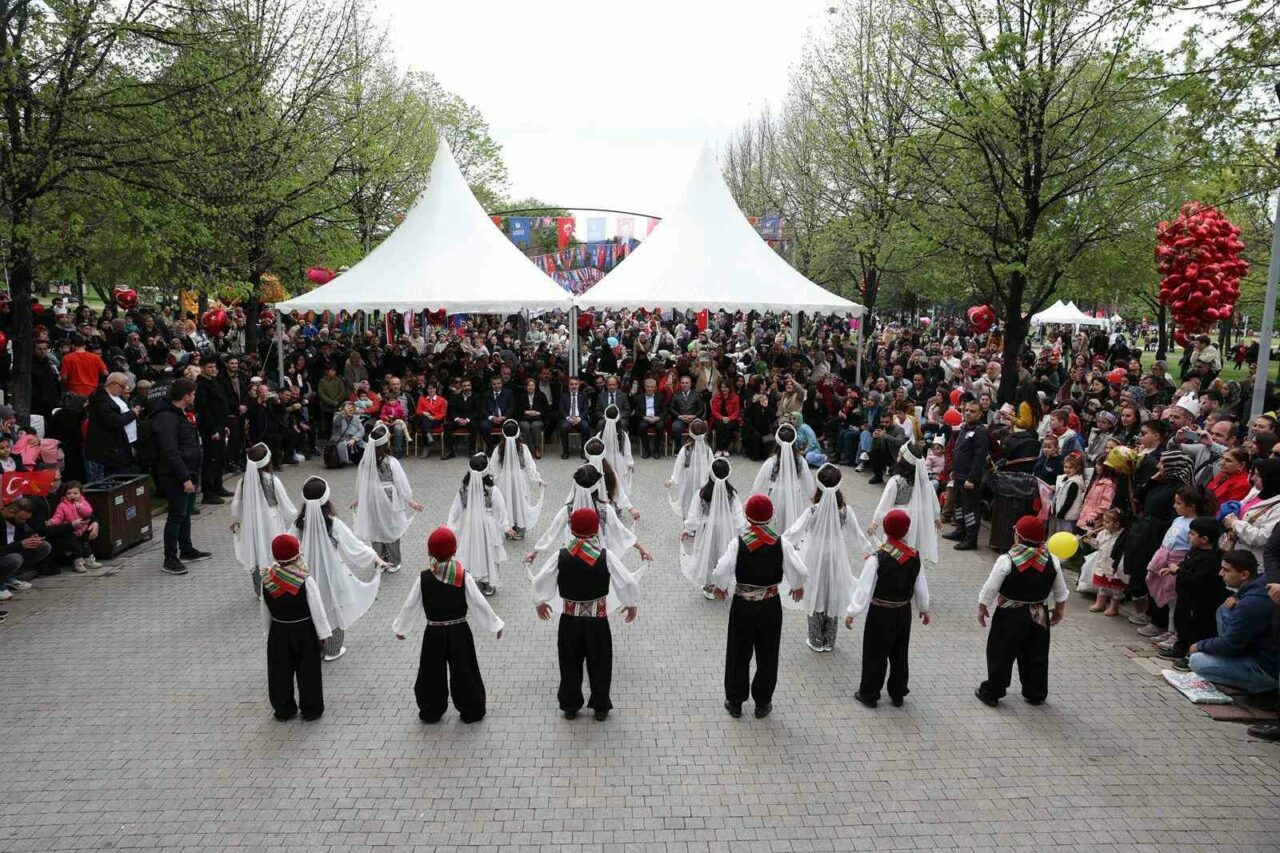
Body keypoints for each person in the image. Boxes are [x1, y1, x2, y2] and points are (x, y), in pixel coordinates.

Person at [530, 507, 641, 721]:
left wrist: (539, 602)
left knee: (569, 662)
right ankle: (600, 706)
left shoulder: (561, 555)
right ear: (596, 530)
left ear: (571, 530)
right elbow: (627, 581)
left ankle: (570, 705)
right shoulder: (605, 556)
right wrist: (631, 603)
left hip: (569, 620)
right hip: (597, 620)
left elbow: (540, 580)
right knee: (600, 662)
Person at [393, 527, 504, 724]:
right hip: (459, 630)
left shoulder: (424, 578)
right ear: (455, 550)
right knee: (465, 669)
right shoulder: (463, 576)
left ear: (429, 552)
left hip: (434, 631)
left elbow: (411, 605)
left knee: (431, 671)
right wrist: (495, 624)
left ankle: (431, 710)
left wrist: (401, 628)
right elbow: (479, 603)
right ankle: (471, 709)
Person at [712, 494, 807, 719]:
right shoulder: (781, 543)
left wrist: (721, 586)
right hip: (770, 605)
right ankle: (762, 703)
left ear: (747, 517)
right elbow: (800, 570)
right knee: (768, 653)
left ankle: (735, 701)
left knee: (738, 652)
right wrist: (797, 586)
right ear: (771, 516)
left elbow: (722, 569)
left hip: (742, 605)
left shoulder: (738, 542)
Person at [975, 517, 1069, 707]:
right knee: (1036, 653)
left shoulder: (1007, 560)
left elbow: (991, 587)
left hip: (1009, 614)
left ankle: (993, 691)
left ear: (1018, 537)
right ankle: (1036, 692)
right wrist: (1059, 609)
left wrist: (982, 605)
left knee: (1001, 652)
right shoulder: (1052, 560)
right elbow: (1060, 590)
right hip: (1039, 614)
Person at [783, 463, 874, 653]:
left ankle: (816, 639)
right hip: (836, 556)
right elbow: (857, 534)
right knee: (833, 592)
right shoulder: (845, 510)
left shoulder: (812, 510)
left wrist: (777, 543)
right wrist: (869, 550)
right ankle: (829, 640)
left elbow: (794, 532)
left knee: (816, 592)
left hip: (814, 556)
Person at [294, 476, 386, 662]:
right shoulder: (332, 523)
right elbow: (355, 547)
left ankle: (313, 647)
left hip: (304, 574)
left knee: (311, 607)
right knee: (333, 607)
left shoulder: (299, 524)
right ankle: (332, 649)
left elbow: (288, 545)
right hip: (331, 574)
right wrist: (376, 558)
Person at [845, 509, 931, 708]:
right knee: (900, 652)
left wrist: (852, 612)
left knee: (875, 653)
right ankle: (898, 692)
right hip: (903, 612)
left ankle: (869, 694)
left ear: (885, 529)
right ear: (907, 530)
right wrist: (923, 608)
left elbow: (864, 588)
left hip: (880, 613)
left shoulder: (877, 558)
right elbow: (920, 585)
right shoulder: (914, 556)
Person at [260, 533, 331, 722]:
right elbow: (317, 609)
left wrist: (269, 631)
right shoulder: (305, 580)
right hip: (304, 630)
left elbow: (265, 609)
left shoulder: (267, 579)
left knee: (279, 671)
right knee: (308, 670)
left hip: (279, 630)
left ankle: (283, 709)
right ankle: (311, 709)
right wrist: (323, 633)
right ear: (297, 555)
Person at [1188, 549, 1279, 698]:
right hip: (1258, 649)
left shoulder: (1250, 605)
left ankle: (1264, 687)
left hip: (1266, 667)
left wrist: (1199, 646)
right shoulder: (1262, 582)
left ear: (1244, 575)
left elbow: (1229, 644)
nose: (1220, 573)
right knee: (1225, 609)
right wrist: (1237, 596)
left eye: (1226, 570)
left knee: (1197, 661)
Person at [151, 379, 212, 576]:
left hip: (190, 470)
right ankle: (170, 558)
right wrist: (184, 476)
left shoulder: (182, 414)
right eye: (193, 394)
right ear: (186, 396)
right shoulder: (166, 417)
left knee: (185, 513)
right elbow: (170, 450)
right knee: (177, 515)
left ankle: (186, 549)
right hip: (176, 475)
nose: (194, 397)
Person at [230, 443, 298, 598]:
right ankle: (276, 586)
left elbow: (237, 505)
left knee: (255, 551)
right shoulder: (272, 480)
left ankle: (260, 589)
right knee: (272, 551)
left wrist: (238, 520)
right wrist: (296, 516)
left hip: (251, 523)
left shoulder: (243, 481)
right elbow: (286, 504)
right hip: (272, 521)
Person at [351, 424, 422, 571]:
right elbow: (400, 482)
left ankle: (380, 561)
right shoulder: (391, 461)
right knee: (391, 527)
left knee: (376, 527)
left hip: (372, 497)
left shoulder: (366, 462)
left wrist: (359, 499)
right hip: (389, 497)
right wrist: (410, 500)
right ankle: (394, 561)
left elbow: (363, 482)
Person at [1158, 516, 1226, 668]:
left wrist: (1179, 571)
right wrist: (1172, 569)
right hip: (1184, 597)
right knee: (1181, 623)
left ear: (1204, 539)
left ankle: (1192, 656)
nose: (1189, 536)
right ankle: (1180, 648)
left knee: (1195, 628)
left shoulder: (1210, 559)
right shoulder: (1195, 551)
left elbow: (1197, 579)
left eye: (1193, 533)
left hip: (1198, 602)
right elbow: (1186, 565)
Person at [446, 454, 512, 597]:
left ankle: (476, 579)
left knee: (473, 551)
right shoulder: (491, 489)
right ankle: (489, 582)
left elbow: (456, 509)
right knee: (490, 553)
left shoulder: (464, 489)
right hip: (488, 525)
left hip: (469, 524)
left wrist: (450, 527)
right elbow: (500, 508)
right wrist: (505, 526)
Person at [681, 458, 746, 599]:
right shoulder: (731, 494)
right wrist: (742, 532)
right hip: (726, 528)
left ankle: (710, 586)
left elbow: (694, 516)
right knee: (724, 554)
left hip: (706, 530)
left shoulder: (702, 493)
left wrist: (688, 529)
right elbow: (738, 516)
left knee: (708, 556)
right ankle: (722, 585)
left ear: (710, 473)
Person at [869, 443, 941, 565]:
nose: (898, 456)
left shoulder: (896, 481)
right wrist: (936, 517)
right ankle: (911, 570)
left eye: (899, 455)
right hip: (917, 521)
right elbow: (932, 500)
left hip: (898, 520)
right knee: (913, 551)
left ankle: (896, 571)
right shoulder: (923, 482)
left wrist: (875, 522)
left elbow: (885, 503)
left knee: (896, 552)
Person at [751, 424, 814, 534]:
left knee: (775, 531)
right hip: (794, 498)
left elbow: (758, 485)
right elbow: (809, 485)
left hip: (775, 499)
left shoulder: (771, 462)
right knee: (793, 529)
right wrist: (815, 500)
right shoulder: (801, 462)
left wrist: (751, 501)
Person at [489, 419, 545, 540]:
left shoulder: (499, 448)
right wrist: (538, 478)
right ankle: (520, 528)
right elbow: (530, 466)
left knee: (506, 502)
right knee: (520, 502)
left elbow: (493, 468)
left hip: (504, 479)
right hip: (520, 479)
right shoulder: (523, 448)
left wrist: (492, 481)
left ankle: (508, 528)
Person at [83, 372, 140, 483]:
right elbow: (113, 421)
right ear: (113, 384)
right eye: (122, 386)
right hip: (107, 449)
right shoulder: (100, 399)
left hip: (120, 446)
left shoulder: (116, 397)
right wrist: (132, 414)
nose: (123, 390)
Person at [948, 402, 989, 551]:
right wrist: (953, 470)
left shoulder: (980, 431)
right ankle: (960, 530)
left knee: (970, 509)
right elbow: (959, 451)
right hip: (958, 475)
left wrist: (972, 479)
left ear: (979, 414)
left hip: (969, 478)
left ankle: (971, 539)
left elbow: (980, 457)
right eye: (966, 410)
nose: (968, 413)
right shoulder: (965, 428)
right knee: (959, 506)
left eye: (972, 411)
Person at [0, 499, 53, 601]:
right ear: (11, 511)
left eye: (25, 519)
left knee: (44, 546)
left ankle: (9, 577)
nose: (23, 522)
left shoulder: (19, 523)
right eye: (21, 518)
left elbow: (27, 533)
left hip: (12, 551)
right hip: (5, 555)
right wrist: (20, 545)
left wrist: (33, 537)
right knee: (15, 558)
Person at [1083, 508, 1128, 616]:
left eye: (1107, 522)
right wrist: (1089, 538)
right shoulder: (1102, 533)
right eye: (1104, 521)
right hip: (1103, 564)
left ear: (1117, 524)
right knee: (1103, 587)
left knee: (1116, 589)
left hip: (1114, 567)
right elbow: (1097, 546)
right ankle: (1100, 604)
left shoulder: (1123, 536)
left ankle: (1114, 607)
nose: (1104, 524)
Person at [49, 481, 101, 574]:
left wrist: (80, 507)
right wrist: (52, 521)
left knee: (86, 545)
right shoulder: (62, 505)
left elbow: (88, 512)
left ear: (80, 493)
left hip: (83, 529)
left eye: (75, 493)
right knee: (76, 547)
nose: (72, 495)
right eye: (69, 493)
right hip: (71, 530)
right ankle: (78, 562)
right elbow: (58, 516)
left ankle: (88, 560)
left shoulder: (83, 502)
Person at [667, 419, 714, 521]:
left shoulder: (686, 449)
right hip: (704, 482)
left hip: (688, 481)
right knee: (701, 505)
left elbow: (679, 466)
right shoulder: (707, 450)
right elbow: (712, 467)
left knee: (687, 503)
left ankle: (687, 524)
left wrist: (673, 480)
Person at [597, 404, 635, 495]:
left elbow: (597, 451)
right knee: (620, 484)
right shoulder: (623, 435)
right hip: (619, 461)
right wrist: (630, 463)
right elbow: (627, 452)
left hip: (604, 462)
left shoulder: (600, 435)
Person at [709, 380, 742, 456]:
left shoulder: (735, 397)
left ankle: (725, 448)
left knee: (730, 426)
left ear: (730, 388)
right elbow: (714, 412)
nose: (724, 389)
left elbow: (737, 412)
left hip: (732, 419)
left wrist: (729, 418)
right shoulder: (716, 397)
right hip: (718, 419)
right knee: (720, 425)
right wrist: (722, 418)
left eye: (726, 387)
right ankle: (719, 449)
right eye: (722, 387)